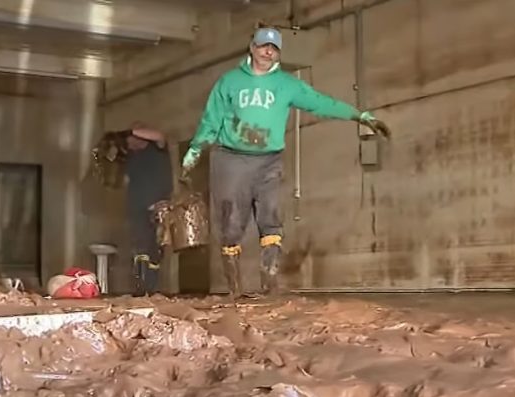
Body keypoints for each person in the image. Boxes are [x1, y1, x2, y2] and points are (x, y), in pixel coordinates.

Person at [180, 26, 390, 301]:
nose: (268, 51)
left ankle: (270, 283)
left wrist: (360, 116)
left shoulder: (287, 85)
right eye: (263, 45)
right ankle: (235, 290)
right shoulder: (229, 82)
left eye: (274, 48)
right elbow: (212, 119)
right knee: (231, 223)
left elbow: (320, 103)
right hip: (231, 158)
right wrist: (195, 149)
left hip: (269, 160)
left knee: (271, 218)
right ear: (252, 47)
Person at [117, 122, 173, 296]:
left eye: (131, 140)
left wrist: (128, 130)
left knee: (155, 248)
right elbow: (124, 181)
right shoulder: (131, 159)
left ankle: (152, 287)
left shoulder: (157, 149)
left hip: (158, 206)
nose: (129, 144)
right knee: (140, 247)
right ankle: (141, 287)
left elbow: (161, 135)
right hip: (137, 208)